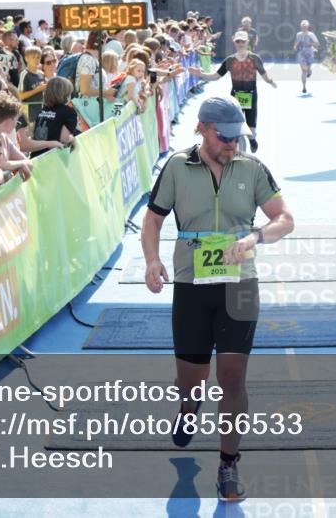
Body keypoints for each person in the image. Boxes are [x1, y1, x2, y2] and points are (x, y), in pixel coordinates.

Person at [141, 95, 294, 502]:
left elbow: (285, 219)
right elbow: (153, 219)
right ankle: (189, 410)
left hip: (239, 285)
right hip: (192, 287)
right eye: (224, 137)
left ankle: (229, 464)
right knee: (193, 382)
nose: (232, 145)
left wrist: (253, 236)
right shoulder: (176, 166)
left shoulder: (252, 168)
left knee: (232, 378)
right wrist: (153, 261)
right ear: (202, 130)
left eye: (237, 137)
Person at [188, 31, 276, 153]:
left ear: (247, 42)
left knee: (251, 129)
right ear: (234, 43)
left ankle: (252, 139)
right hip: (235, 97)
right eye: (238, 42)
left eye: (243, 41)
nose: (240, 44)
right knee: (235, 126)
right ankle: (238, 151)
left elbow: (265, 76)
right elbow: (216, 76)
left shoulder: (255, 58)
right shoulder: (229, 60)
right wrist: (200, 74)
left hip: (251, 95)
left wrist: (270, 82)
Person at [31, 77, 79, 158]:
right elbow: (64, 138)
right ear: (66, 95)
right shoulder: (69, 112)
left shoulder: (42, 110)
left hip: (36, 157)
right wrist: (73, 139)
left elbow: (32, 133)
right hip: (54, 158)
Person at [18, 46, 46, 124]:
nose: (37, 60)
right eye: (33, 57)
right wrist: (38, 89)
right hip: (29, 112)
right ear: (26, 59)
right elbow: (21, 96)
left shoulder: (41, 73)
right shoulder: (24, 74)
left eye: (38, 57)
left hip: (41, 110)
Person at [293, 20, 319, 95]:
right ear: (301, 27)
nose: (303, 28)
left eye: (305, 27)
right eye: (302, 27)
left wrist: (310, 43)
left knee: (307, 69)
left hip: (309, 53)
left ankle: (309, 70)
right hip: (301, 54)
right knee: (304, 70)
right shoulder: (298, 34)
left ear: (308, 27)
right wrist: (295, 46)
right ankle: (304, 87)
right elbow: (296, 41)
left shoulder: (311, 34)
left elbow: (317, 43)